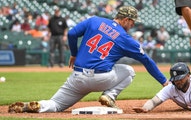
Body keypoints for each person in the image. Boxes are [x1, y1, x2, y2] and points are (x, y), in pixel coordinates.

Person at [8, 6, 168, 113]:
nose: (132, 25)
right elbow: (147, 61)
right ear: (125, 19)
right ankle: (110, 95)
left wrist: (74, 53)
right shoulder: (126, 39)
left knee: (56, 105)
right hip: (102, 78)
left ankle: (38, 106)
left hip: (78, 77)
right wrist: (163, 82)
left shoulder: (94, 20)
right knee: (129, 70)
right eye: (132, 22)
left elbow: (71, 34)